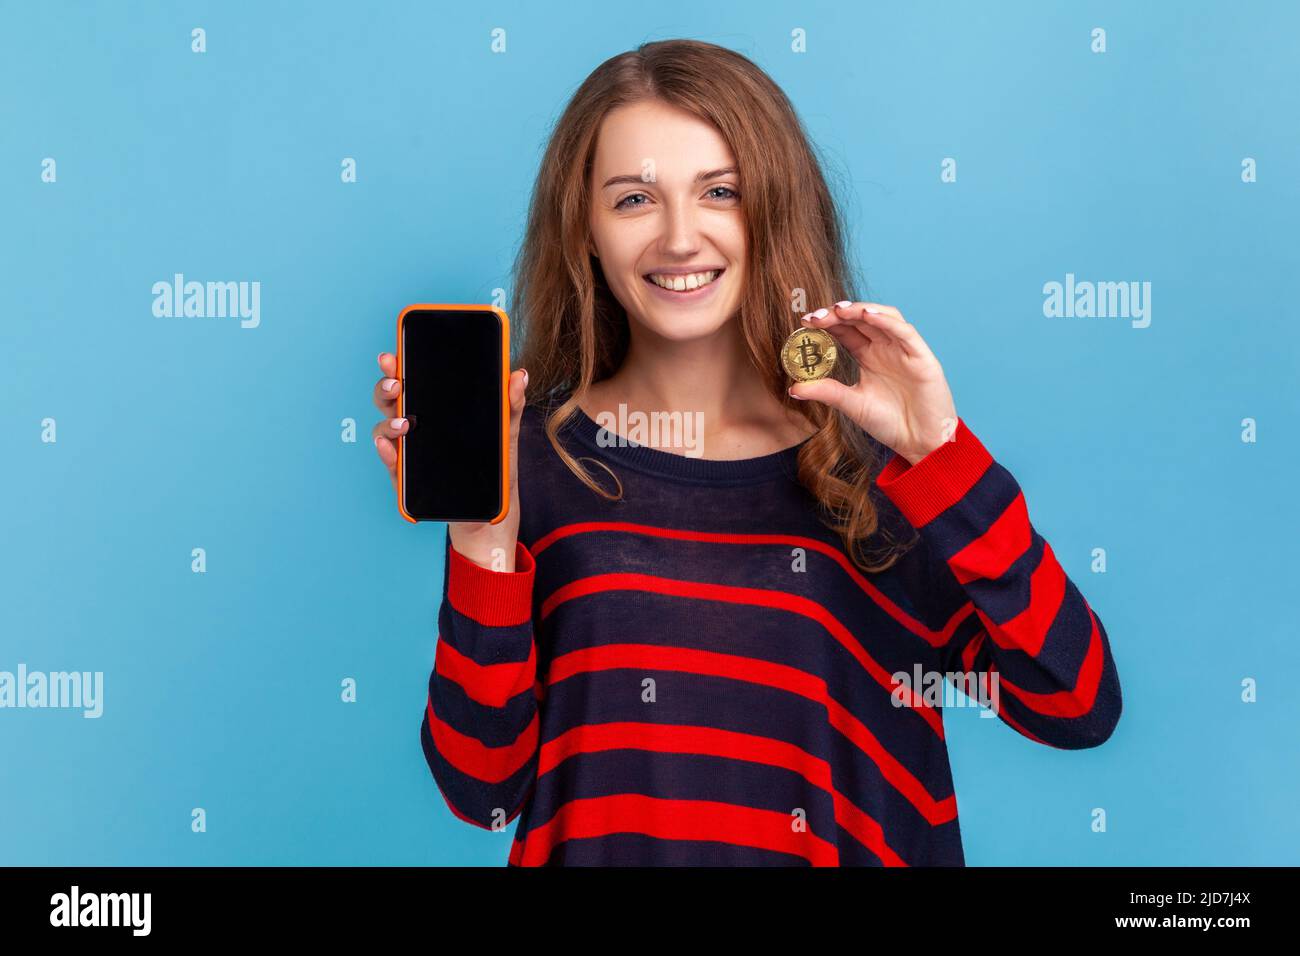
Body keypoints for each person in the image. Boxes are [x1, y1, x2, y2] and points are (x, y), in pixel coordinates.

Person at [371, 38, 1121, 866]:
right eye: (633, 200)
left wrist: (940, 453)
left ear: (773, 208)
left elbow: (1075, 703)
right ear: (582, 227)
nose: (680, 238)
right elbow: (481, 793)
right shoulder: (536, 466)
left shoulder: (881, 474)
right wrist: (484, 538)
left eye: (719, 192)